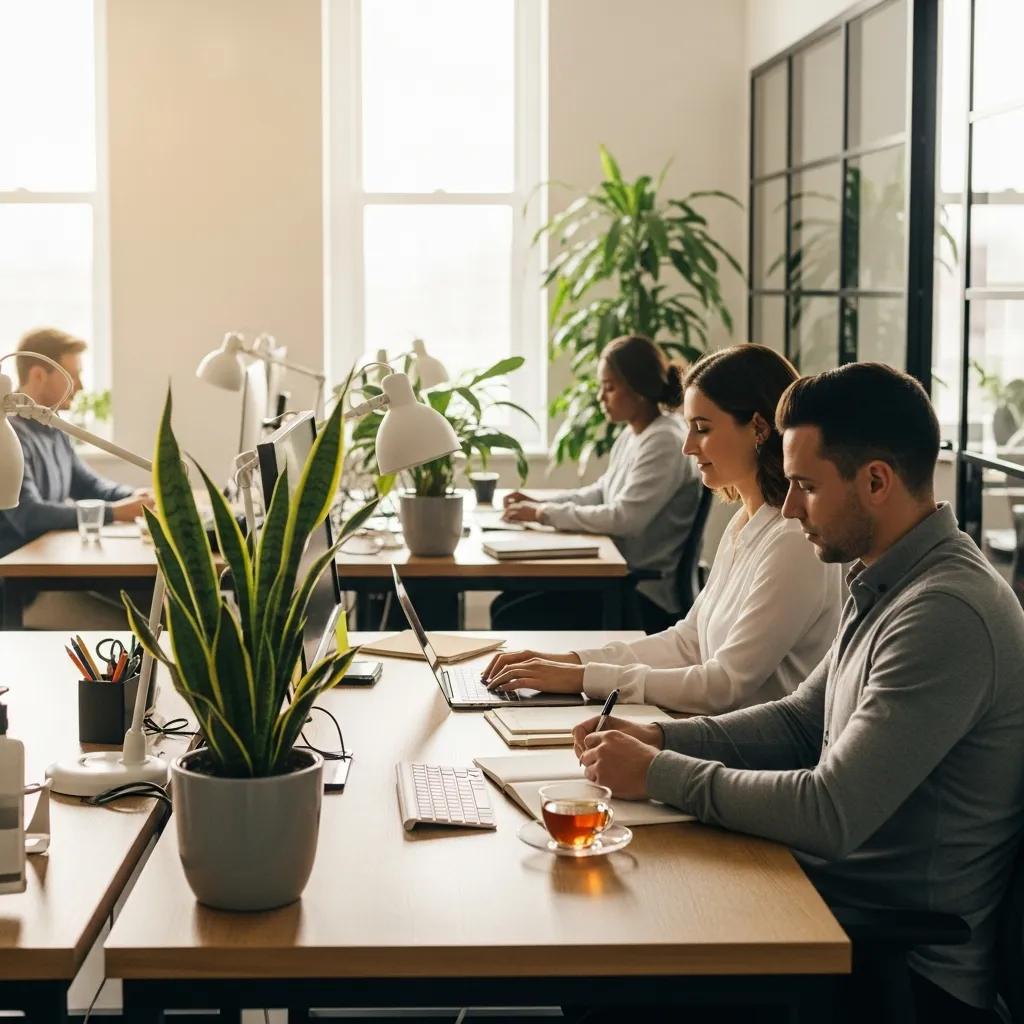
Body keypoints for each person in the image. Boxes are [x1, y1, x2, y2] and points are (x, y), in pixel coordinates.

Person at [573, 363, 1024, 1021]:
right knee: (611, 923)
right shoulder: (882, 576)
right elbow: (797, 720)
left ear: (876, 481)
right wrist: (660, 736)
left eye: (806, 487)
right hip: (824, 905)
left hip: (892, 966)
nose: (786, 507)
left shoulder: (946, 613)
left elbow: (830, 811)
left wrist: (660, 772)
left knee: (609, 976)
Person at [484, 344, 843, 715]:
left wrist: (583, 678)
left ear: (758, 428)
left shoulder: (792, 540)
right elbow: (688, 643)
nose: (687, 447)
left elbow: (724, 685)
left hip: (751, 759)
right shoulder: (745, 524)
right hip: (712, 733)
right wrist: (570, 662)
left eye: (702, 429)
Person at [491, 335, 701, 634]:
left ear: (638, 388)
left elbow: (624, 518)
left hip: (641, 592)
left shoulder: (664, 441)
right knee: (506, 605)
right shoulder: (636, 433)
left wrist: (542, 514)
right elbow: (601, 492)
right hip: (618, 577)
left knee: (510, 614)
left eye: (610, 387)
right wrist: (539, 504)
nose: (601, 397)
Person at [0, 328, 153, 558]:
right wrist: (116, 513)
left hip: (52, 561)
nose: (80, 386)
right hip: (24, 578)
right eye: (73, 375)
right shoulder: (8, 438)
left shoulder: (54, 427)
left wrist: (138, 497)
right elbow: (29, 515)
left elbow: (88, 485)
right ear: (39, 375)